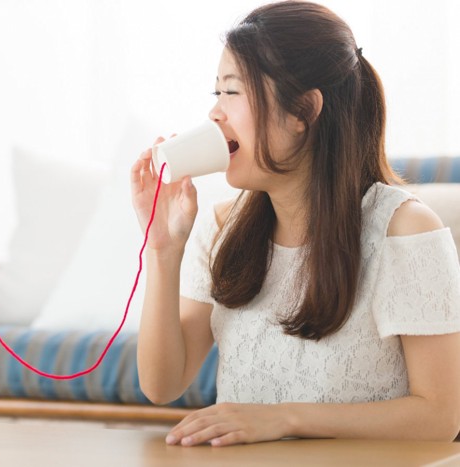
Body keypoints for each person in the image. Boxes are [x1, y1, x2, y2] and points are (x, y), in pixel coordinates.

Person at [130, 0, 460, 447]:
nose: (215, 114)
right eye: (216, 94)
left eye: (233, 92)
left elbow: (440, 416)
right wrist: (163, 251)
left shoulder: (405, 231)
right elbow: (162, 385)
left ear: (303, 111)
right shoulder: (221, 227)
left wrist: (285, 418)